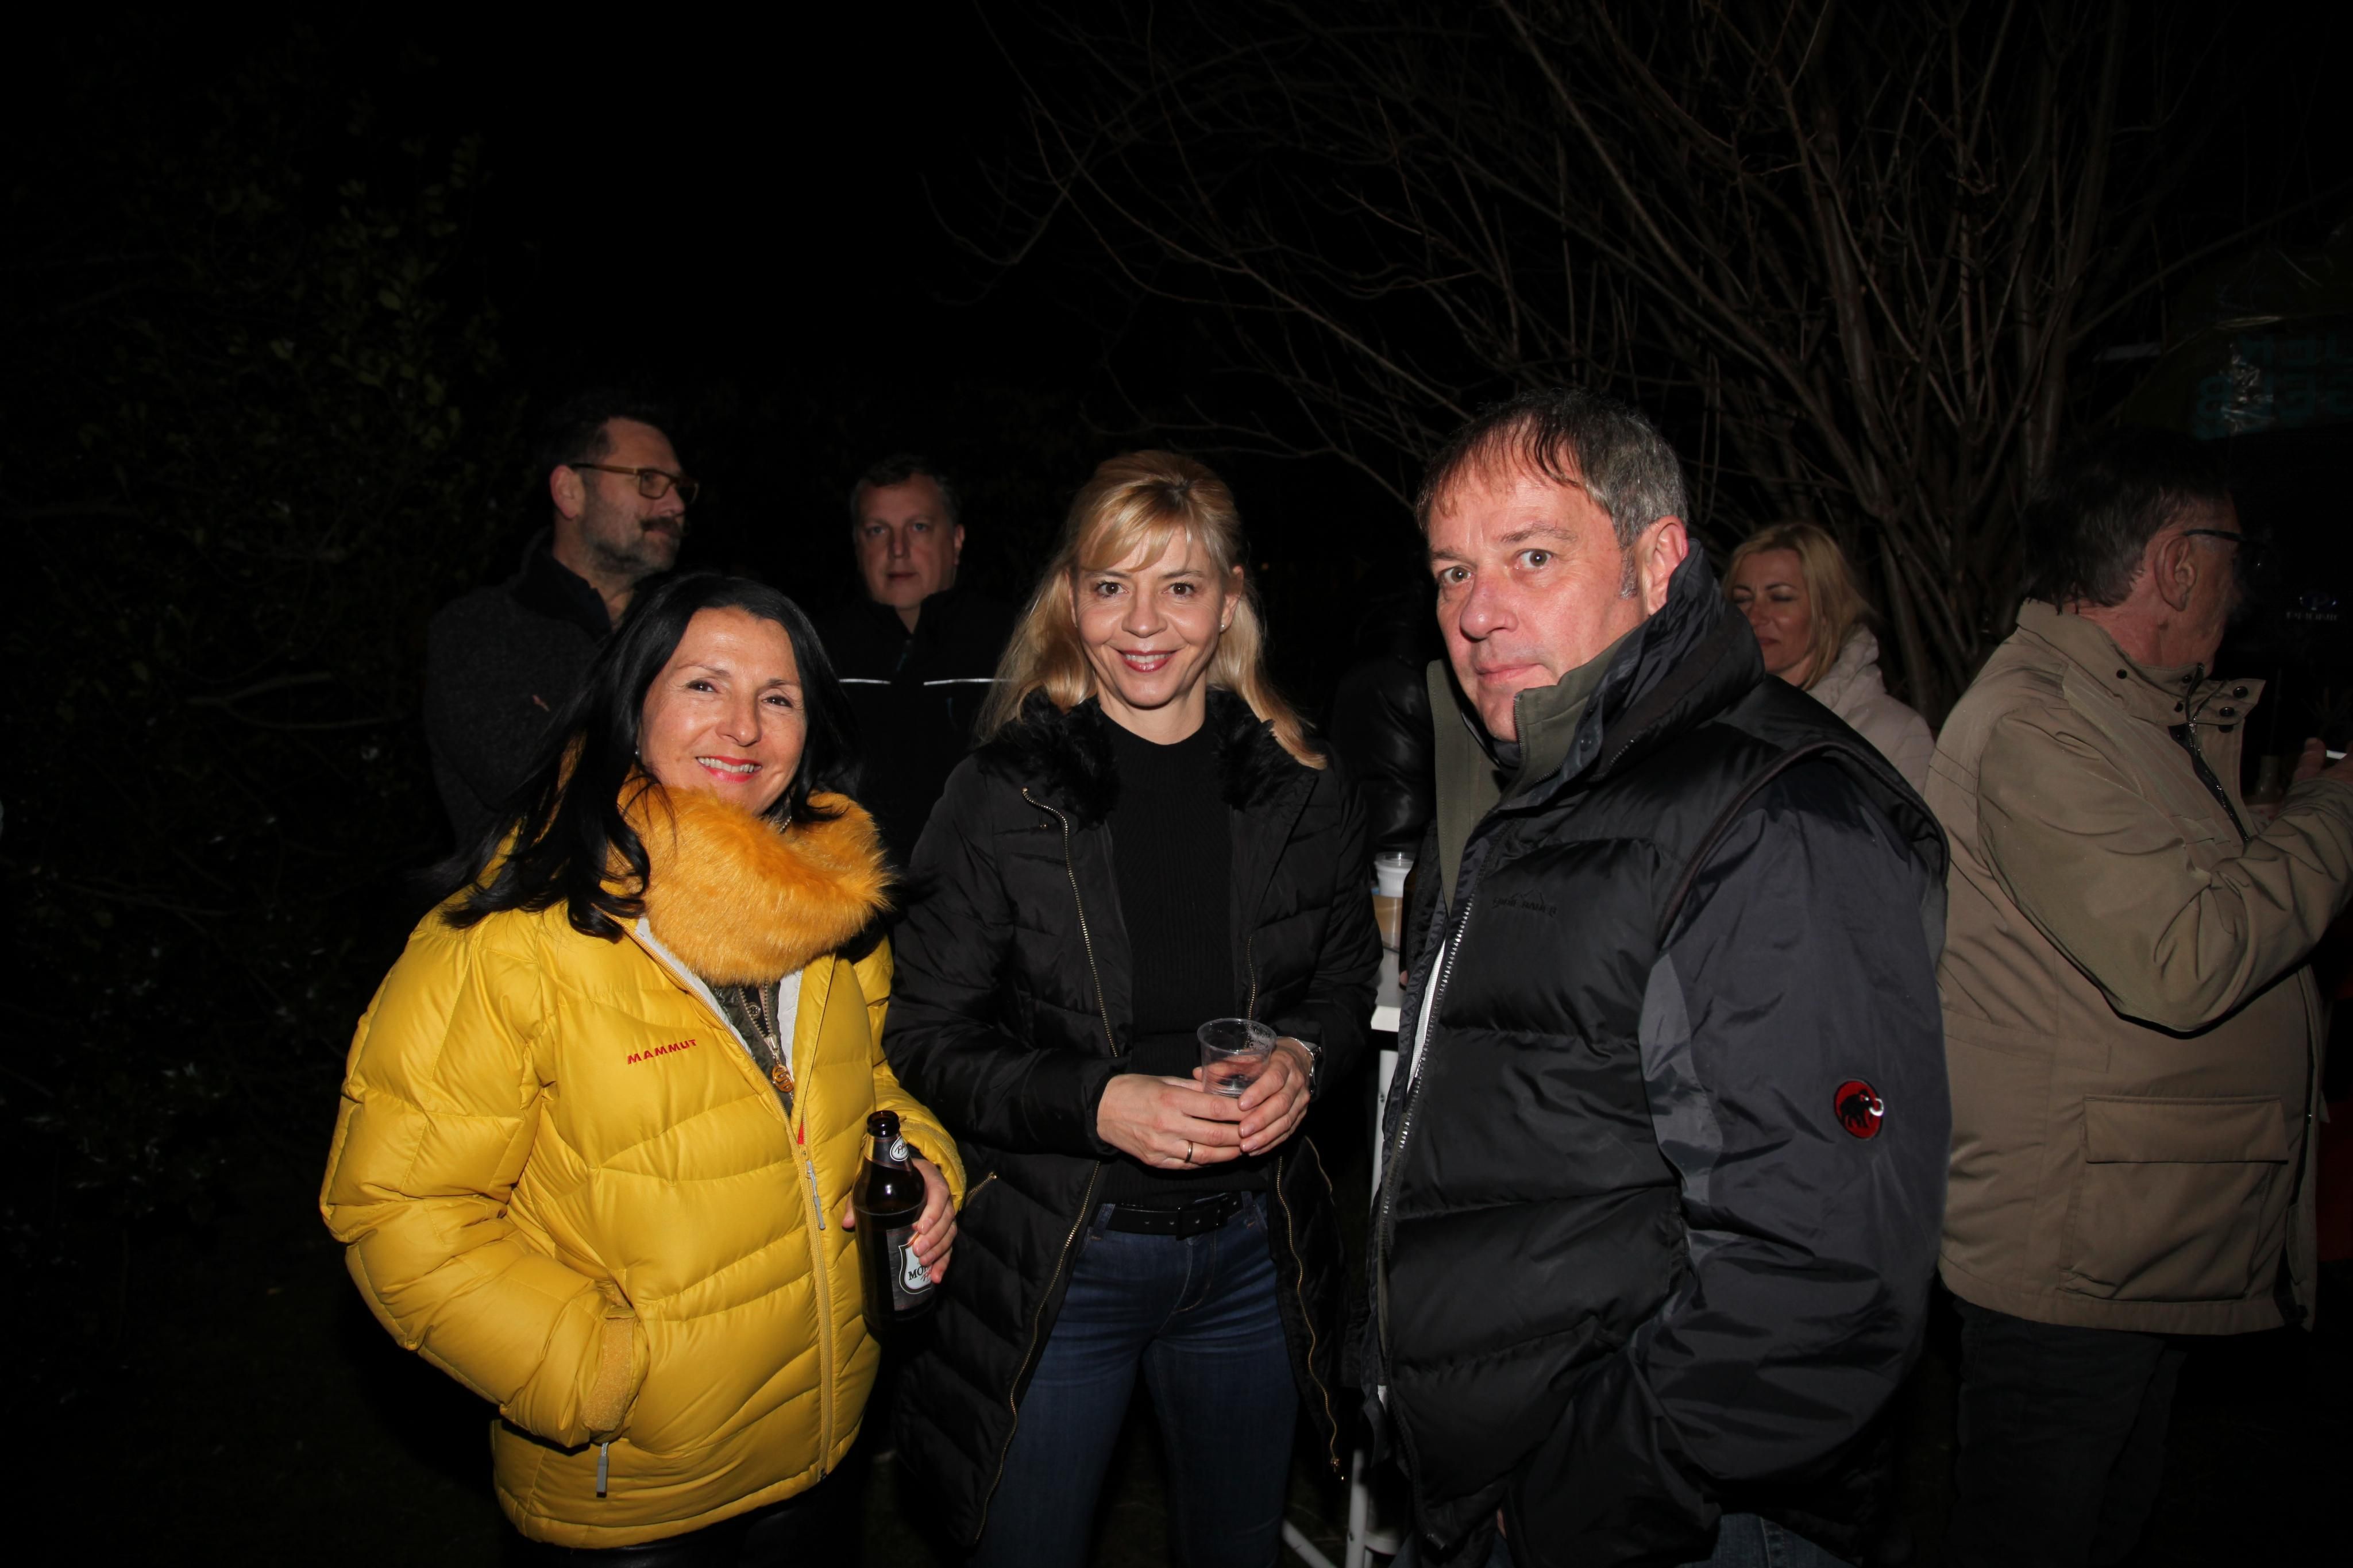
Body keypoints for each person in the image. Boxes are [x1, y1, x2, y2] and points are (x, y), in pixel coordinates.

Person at [1371, 388, 1950, 1568]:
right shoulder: (1536, 783)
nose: (1476, 610)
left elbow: (1818, 1276)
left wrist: (1569, 1498)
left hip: (1674, 1518)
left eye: (1532, 557)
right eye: (1451, 573)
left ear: (1658, 560)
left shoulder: (1772, 816)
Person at [323, 571, 965, 1561]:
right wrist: (596, 1374)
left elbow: (872, 1088)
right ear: (633, 706)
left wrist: (921, 1165)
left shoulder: (830, 912)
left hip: (820, 1450)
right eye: (705, 685)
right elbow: (397, 1207)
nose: (744, 727)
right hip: (633, 1496)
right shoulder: (515, 939)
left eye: (779, 697)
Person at [882, 451, 1381, 1568]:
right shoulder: (1002, 794)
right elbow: (922, 1036)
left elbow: (1346, 984)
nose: (1142, 623)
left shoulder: (1303, 786)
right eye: (1111, 586)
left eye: (1180, 587)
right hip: (1062, 1258)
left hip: (1252, 1251)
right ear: (1070, 599)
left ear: (1230, 600)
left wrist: (1304, 1056)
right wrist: (1096, 1102)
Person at [1931, 427, 2353, 1568]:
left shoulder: (2121, 715)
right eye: (2228, 552)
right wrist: (2333, 818)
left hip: (2132, 1234)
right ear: (2173, 561)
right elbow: (2183, 955)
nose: (2238, 581)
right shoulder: (2040, 723)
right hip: (2070, 1257)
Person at [425, 392, 694, 846]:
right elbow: (530, 780)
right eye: (648, 480)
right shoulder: (479, 630)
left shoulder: (690, 630)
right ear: (570, 491)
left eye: (679, 487)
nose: (675, 505)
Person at [816, 454, 1017, 867]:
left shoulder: (1016, 647)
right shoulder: (813, 654)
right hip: (851, 891)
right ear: (857, 545)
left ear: (956, 541)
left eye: (919, 527)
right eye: (877, 530)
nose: (898, 550)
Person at [1726, 521, 1936, 790]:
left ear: (1827, 609)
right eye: (1742, 599)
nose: (1755, 616)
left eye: (1780, 598)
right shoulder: (1715, 720)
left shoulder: (1894, 734)